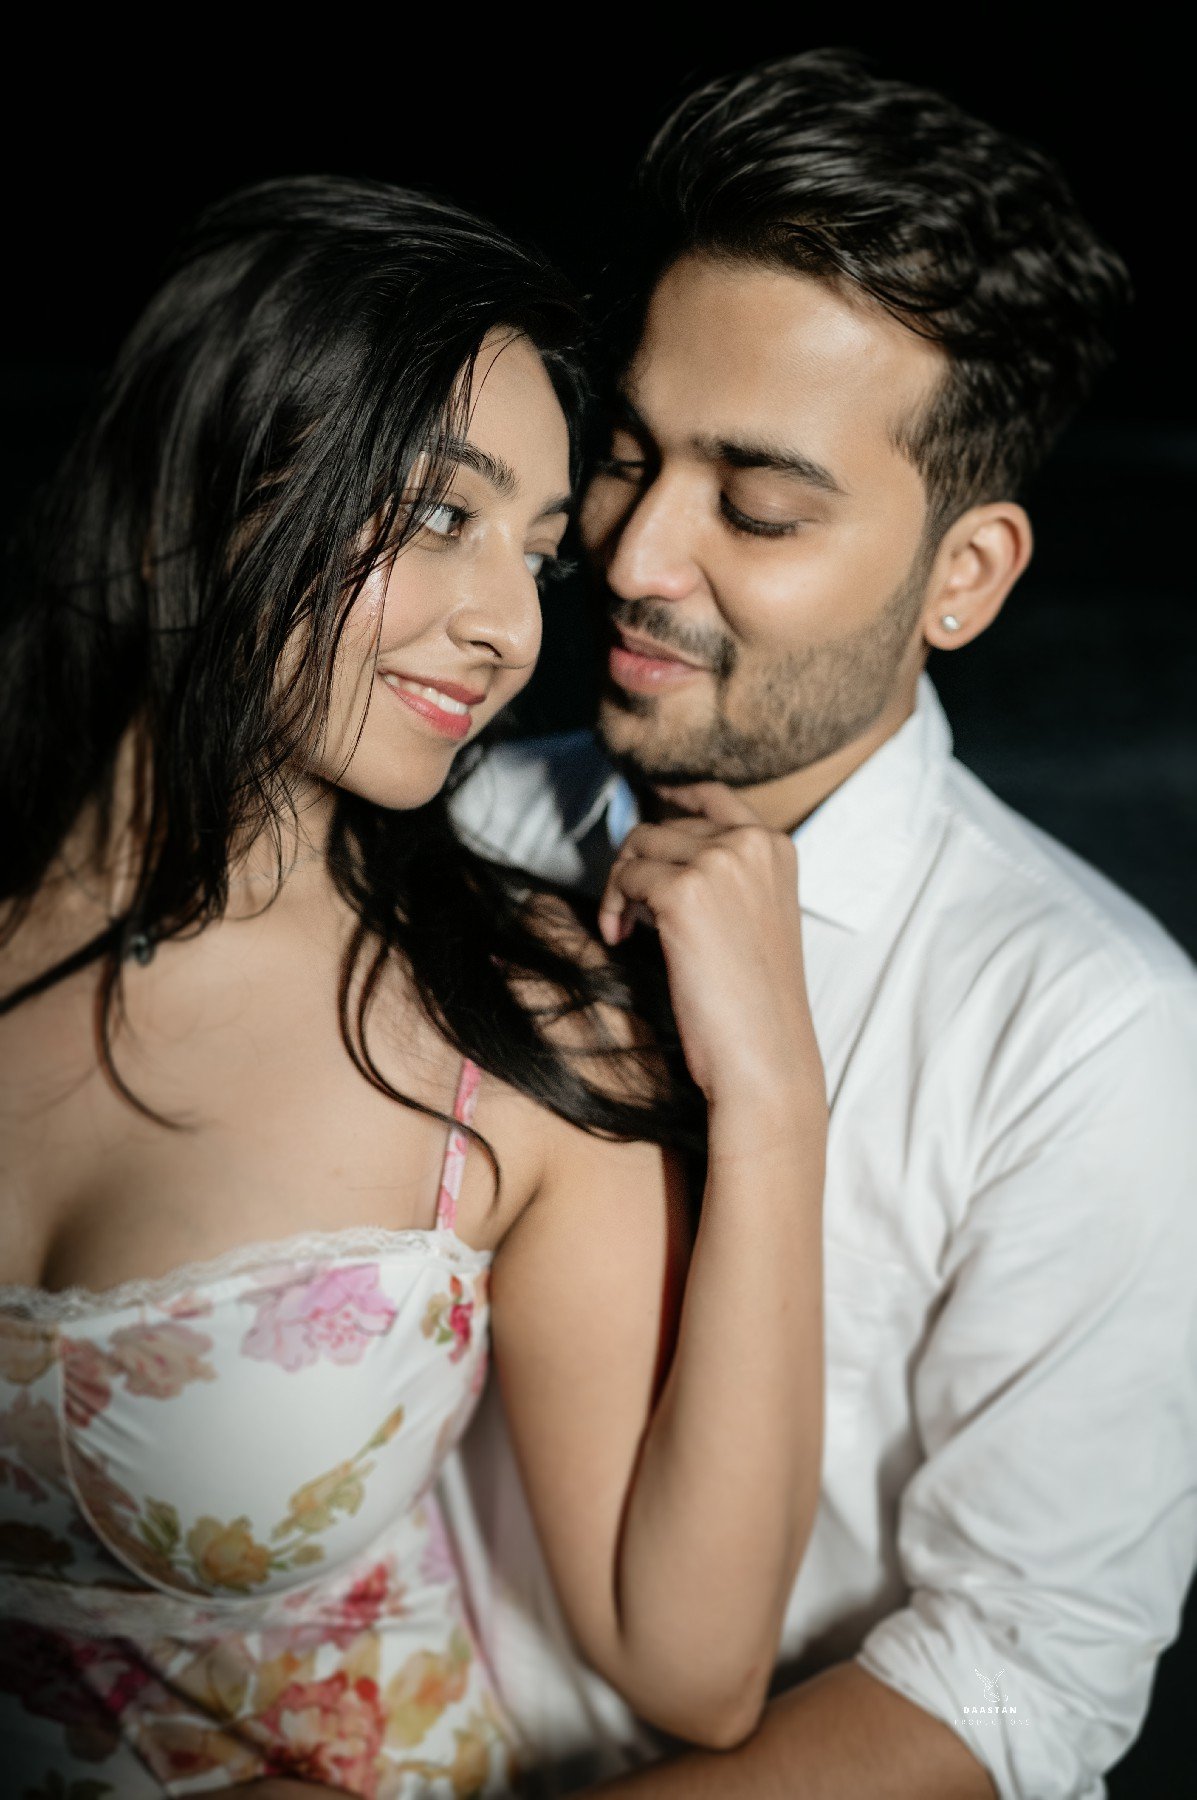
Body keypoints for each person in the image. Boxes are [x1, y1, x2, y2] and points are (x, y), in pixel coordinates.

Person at [0, 177, 830, 1797]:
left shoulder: (502, 1028)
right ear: (209, 476)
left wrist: (777, 1105)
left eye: (537, 555)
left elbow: (696, 1668)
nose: (508, 629)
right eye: (440, 514)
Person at [442, 50, 1197, 1800]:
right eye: (628, 458)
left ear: (965, 577)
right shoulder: (454, 828)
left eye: (762, 509)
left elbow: (1027, 1671)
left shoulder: (1087, 1030)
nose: (634, 558)